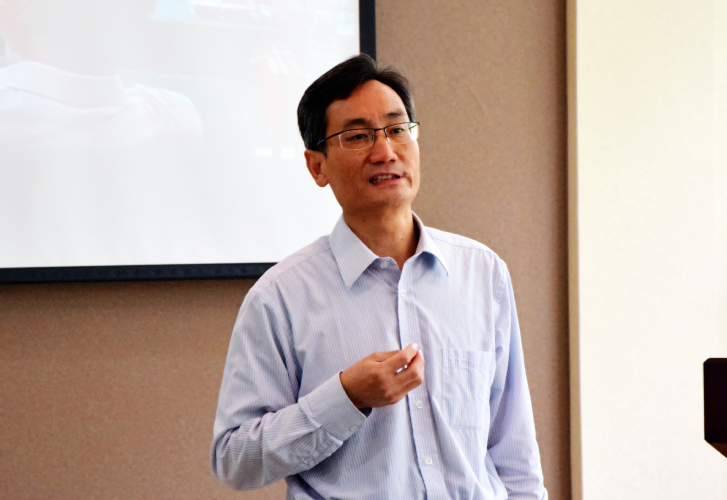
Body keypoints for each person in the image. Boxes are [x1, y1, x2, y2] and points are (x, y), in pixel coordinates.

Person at [211, 54, 548, 500]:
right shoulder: (280, 297)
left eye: (397, 129)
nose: (386, 151)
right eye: (358, 136)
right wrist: (345, 398)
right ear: (317, 166)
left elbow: (515, 453)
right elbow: (235, 460)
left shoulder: (482, 273)